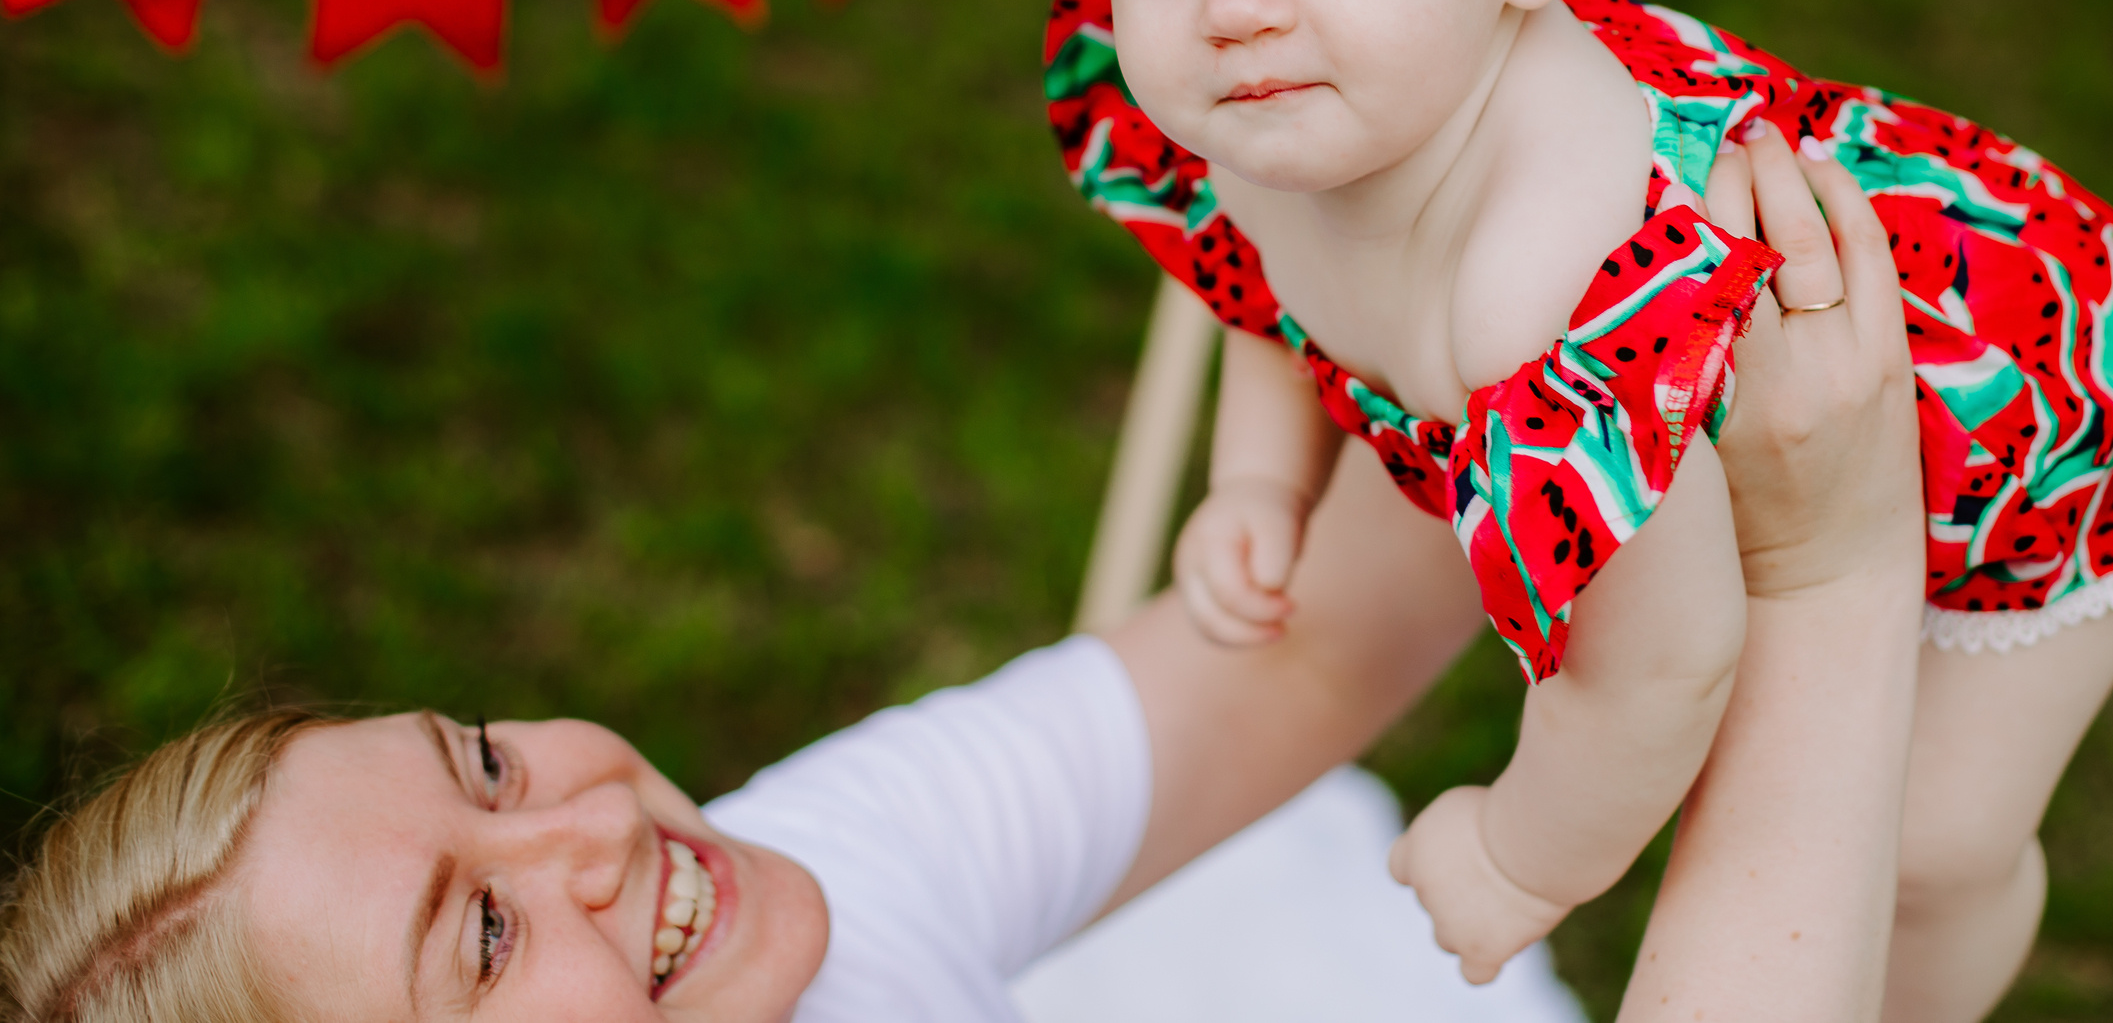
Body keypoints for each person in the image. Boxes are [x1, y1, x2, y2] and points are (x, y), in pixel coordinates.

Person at [902, 0, 2113, 1021]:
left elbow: (1662, 664)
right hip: (1767, 421)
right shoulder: (1276, 124)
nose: (1238, 1)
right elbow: (1260, 297)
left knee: (1931, 842)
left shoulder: (1544, 282)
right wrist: (1259, 485)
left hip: (2024, 391)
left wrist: (1525, 853)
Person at [0, 136, 1923, 1023]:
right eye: (479, 944)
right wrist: (1831, 576)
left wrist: (1506, 231)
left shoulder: (791, 898)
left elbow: (1310, 658)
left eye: (486, 762)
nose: (585, 826)